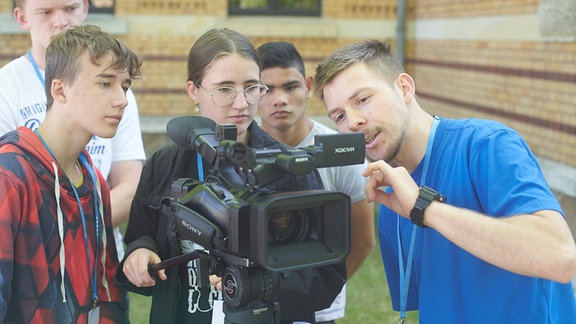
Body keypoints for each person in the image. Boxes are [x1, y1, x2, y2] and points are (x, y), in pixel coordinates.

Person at [313, 39, 576, 323]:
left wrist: (424, 208)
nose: (352, 122)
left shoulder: (486, 145)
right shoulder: (391, 193)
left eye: (362, 100)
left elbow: (559, 257)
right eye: (339, 116)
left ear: (404, 88)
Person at [115, 28, 346, 324]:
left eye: (251, 87)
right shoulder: (164, 163)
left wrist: (264, 287)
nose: (241, 103)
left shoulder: (289, 167)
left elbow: (327, 274)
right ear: (193, 91)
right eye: (224, 89)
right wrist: (140, 251)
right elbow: (140, 235)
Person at [0, 24, 141, 323]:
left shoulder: (92, 179)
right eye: (105, 83)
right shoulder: (10, 176)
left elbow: (108, 292)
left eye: (125, 86)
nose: (122, 100)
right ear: (60, 89)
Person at [257, 41, 375, 323]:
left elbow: (362, 241)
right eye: (266, 89)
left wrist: (318, 290)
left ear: (309, 85)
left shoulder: (341, 152)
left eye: (290, 86)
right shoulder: (238, 151)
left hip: (318, 312)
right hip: (253, 308)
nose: (280, 99)